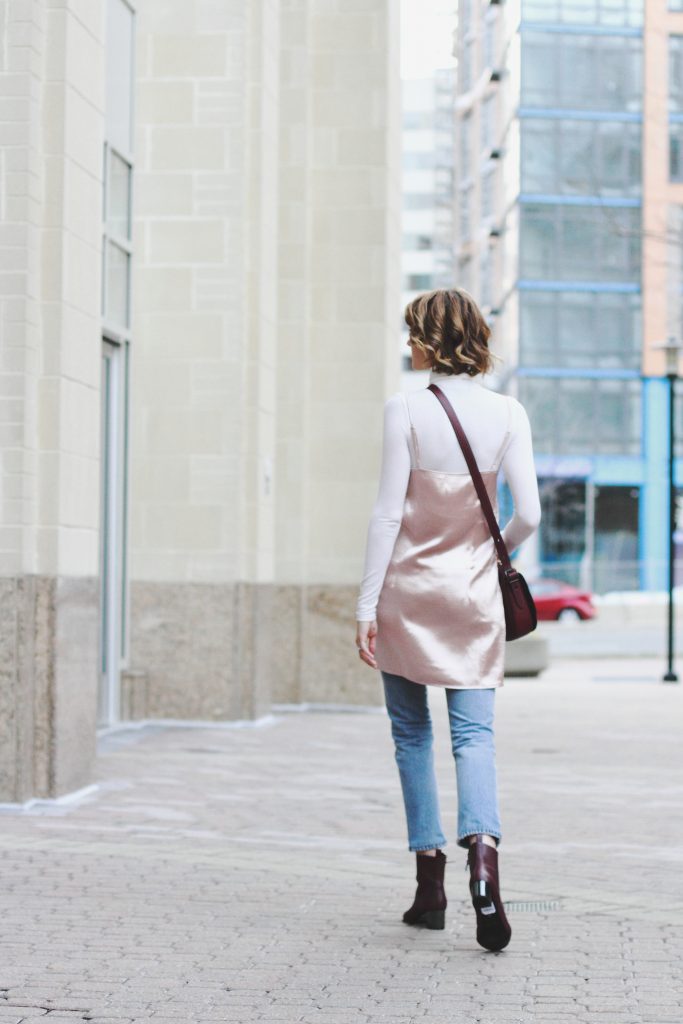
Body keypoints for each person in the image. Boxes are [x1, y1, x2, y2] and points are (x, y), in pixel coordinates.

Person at [354, 288, 541, 952]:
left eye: (412, 334)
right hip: (472, 596)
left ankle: (428, 884)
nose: (408, 345)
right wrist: (493, 553)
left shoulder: (404, 409)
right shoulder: (507, 411)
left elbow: (385, 514)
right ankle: (484, 863)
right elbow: (529, 515)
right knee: (474, 738)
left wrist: (365, 604)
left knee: (410, 737)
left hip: (407, 593)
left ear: (432, 340)